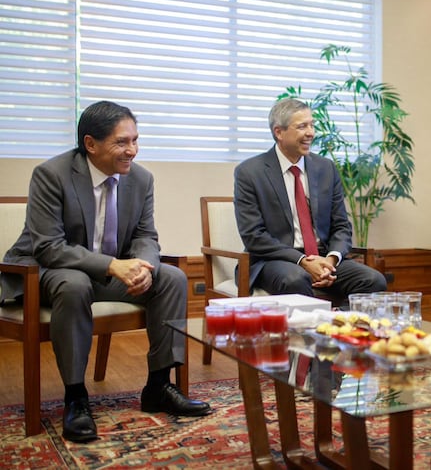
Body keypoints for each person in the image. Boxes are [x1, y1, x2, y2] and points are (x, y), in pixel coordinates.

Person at [0, 101, 211, 443]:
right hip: (48, 271)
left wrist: (144, 267)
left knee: (171, 278)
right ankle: (75, 398)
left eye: (135, 140)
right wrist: (113, 265)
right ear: (90, 144)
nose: (132, 150)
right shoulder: (51, 174)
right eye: (122, 142)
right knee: (74, 284)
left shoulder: (140, 179)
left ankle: (159, 386)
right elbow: (49, 247)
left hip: (104, 273)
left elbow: (145, 236)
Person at [233, 98, 387, 306]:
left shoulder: (326, 168)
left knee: (373, 280)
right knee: (296, 279)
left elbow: (341, 225)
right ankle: (315, 324)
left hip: (323, 256)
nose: (311, 133)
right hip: (275, 260)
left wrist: (330, 260)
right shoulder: (250, 172)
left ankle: (337, 322)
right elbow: (253, 235)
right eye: (302, 126)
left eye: (312, 125)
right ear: (279, 132)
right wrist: (303, 262)